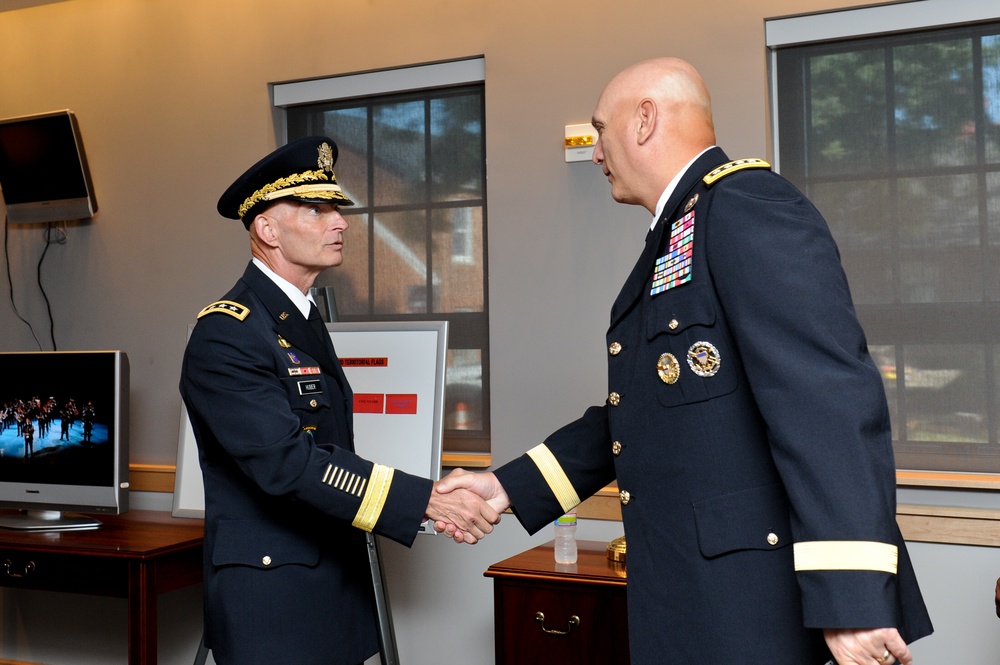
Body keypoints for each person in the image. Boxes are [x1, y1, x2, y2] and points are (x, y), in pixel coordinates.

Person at [436, 58, 934, 665]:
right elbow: (643, 410)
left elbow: (828, 406)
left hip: (751, 609)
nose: (595, 152)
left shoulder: (746, 207)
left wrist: (854, 602)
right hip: (692, 599)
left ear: (644, 119)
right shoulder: (684, 228)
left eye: (600, 129)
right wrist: (506, 486)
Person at [179, 136, 500, 665]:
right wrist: (423, 499)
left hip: (330, 576)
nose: (341, 221)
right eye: (315, 208)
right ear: (266, 229)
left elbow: (330, 445)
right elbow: (286, 464)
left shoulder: (300, 317)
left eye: (336, 207)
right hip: (273, 595)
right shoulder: (228, 332)